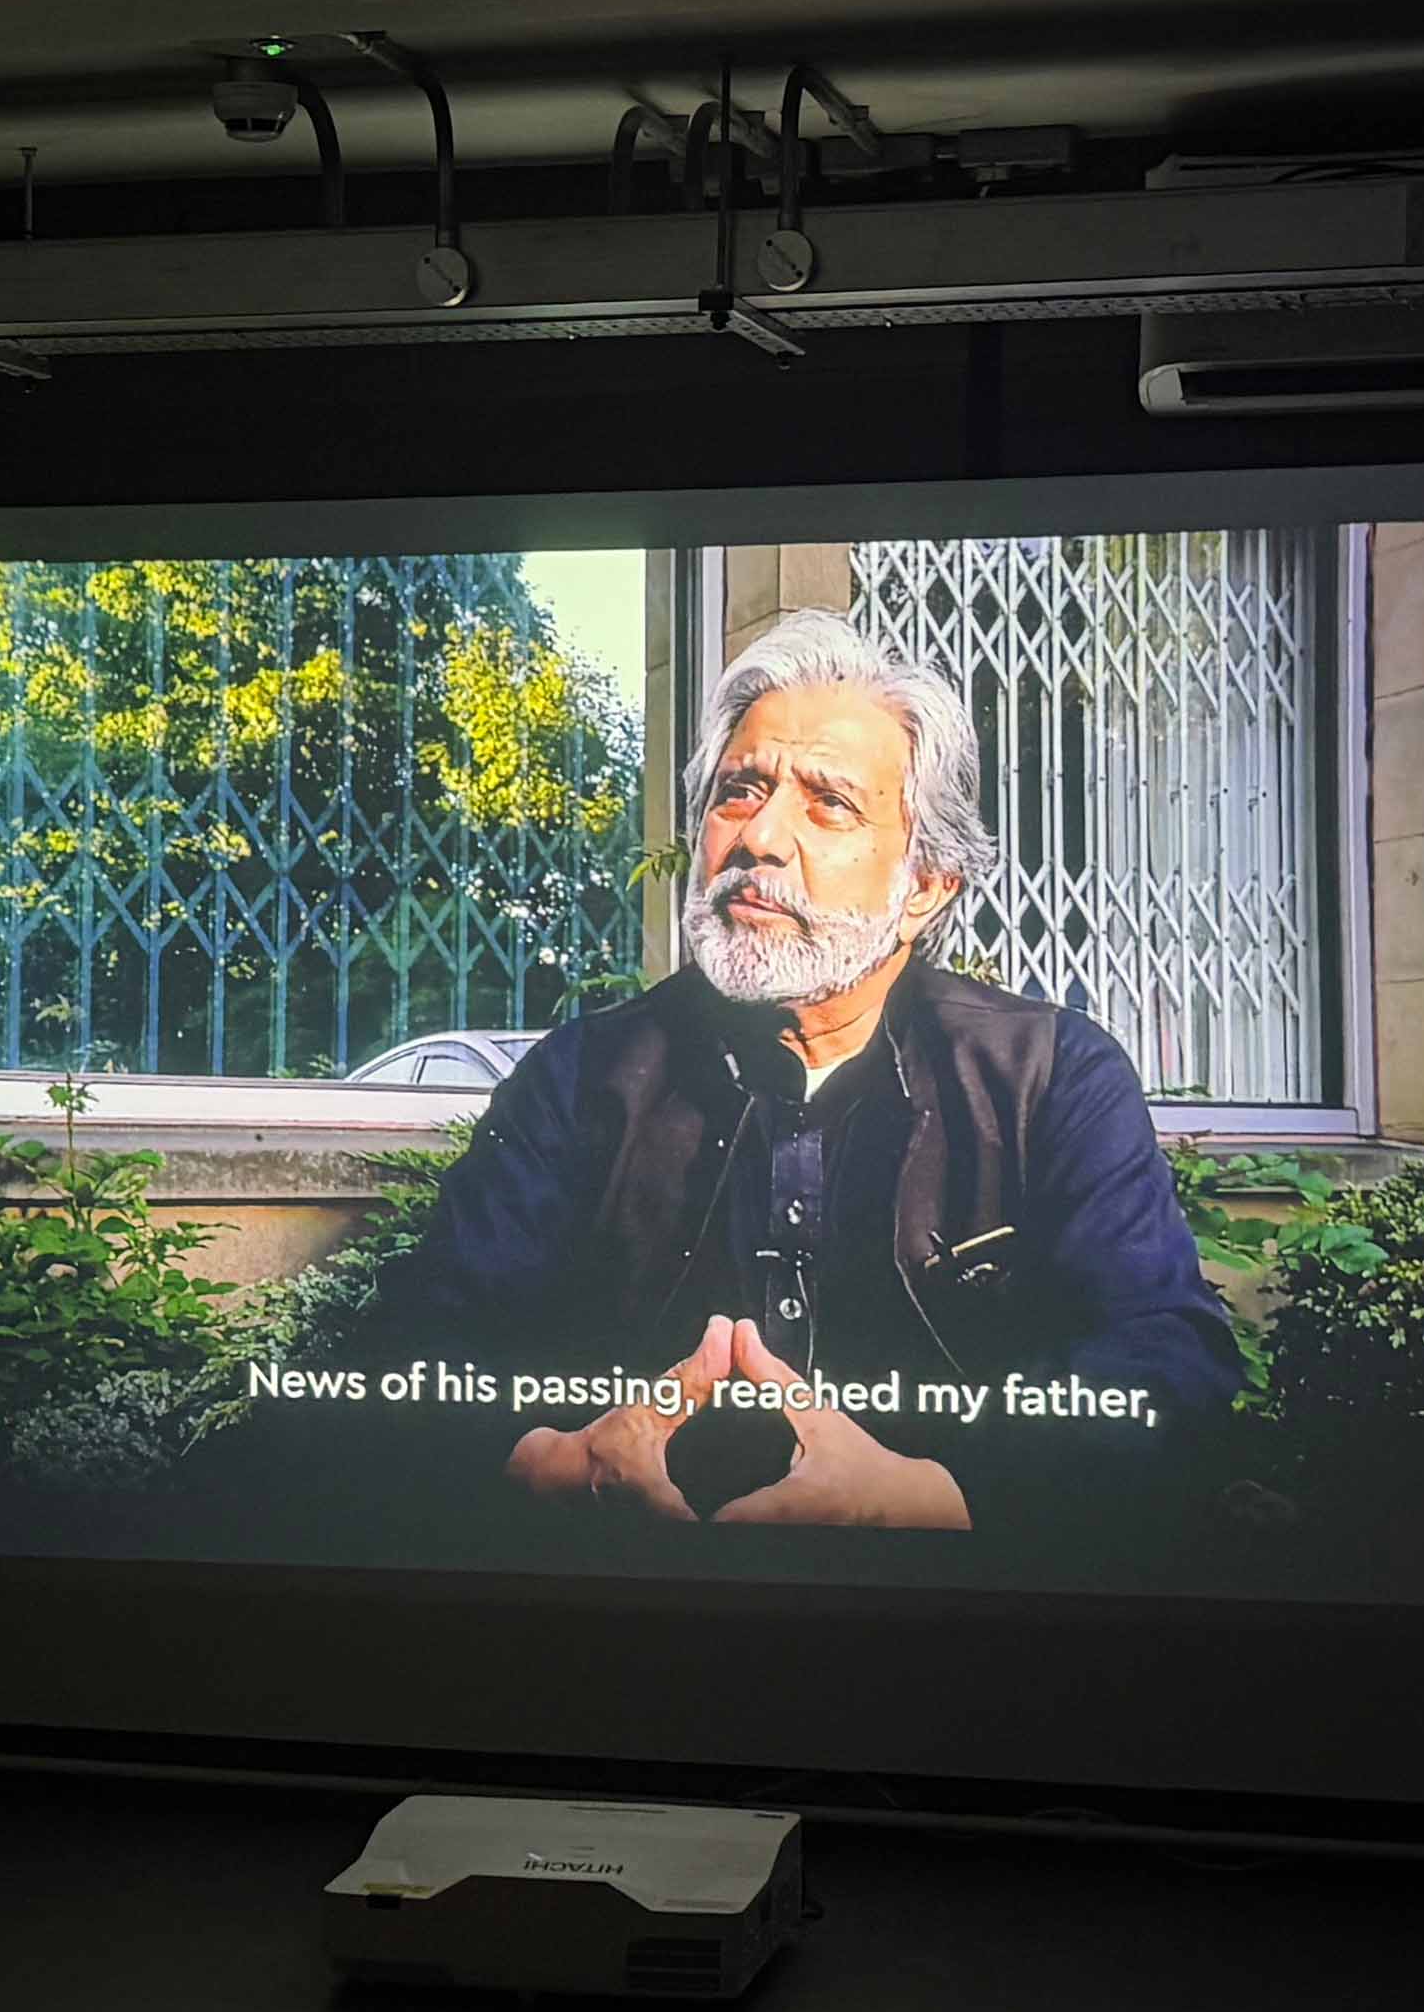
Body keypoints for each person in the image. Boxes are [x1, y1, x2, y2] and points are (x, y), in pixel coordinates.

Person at [372, 608, 1238, 1530]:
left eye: (828, 803)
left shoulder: (1049, 1076)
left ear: (927, 887)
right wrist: (546, 1464)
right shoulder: (584, 1075)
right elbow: (416, 1345)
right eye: (741, 790)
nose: (759, 838)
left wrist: (934, 1500)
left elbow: (1167, 1361)